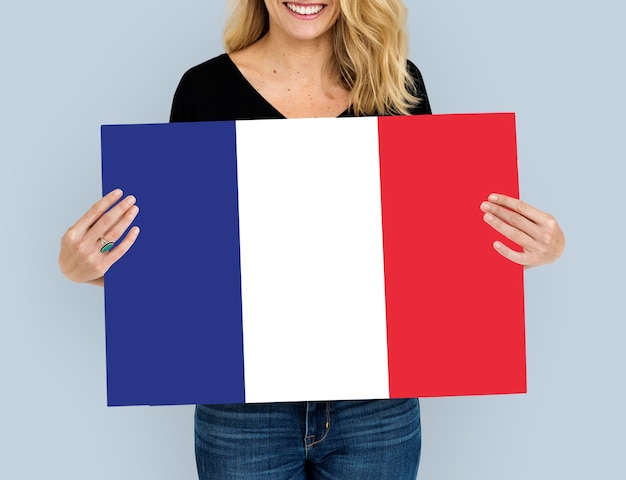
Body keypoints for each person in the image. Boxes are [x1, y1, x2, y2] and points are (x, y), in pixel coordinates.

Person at [58, 0, 566, 478]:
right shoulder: (203, 89)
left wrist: (542, 248)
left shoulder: (397, 87)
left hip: (376, 408)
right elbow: (178, 269)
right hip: (242, 413)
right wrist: (89, 267)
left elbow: (432, 258)